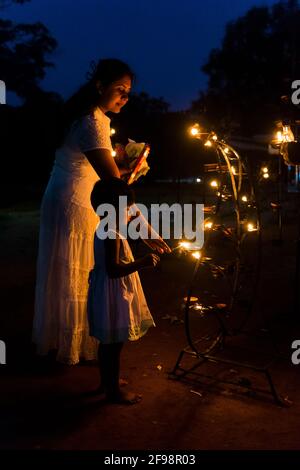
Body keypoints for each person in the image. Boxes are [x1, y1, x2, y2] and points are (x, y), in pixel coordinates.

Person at [33, 58, 170, 365]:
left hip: (70, 194)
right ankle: (77, 343)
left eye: (128, 91)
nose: (125, 97)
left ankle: (70, 339)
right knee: (77, 271)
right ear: (100, 86)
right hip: (76, 201)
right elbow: (113, 183)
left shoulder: (89, 116)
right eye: (119, 89)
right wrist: (146, 231)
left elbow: (110, 177)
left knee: (75, 271)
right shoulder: (92, 122)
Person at [88, 178, 159, 404]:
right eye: (127, 207)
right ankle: (113, 392)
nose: (130, 212)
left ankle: (107, 382)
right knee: (114, 345)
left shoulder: (106, 227)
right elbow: (113, 269)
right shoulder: (111, 233)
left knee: (107, 344)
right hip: (113, 294)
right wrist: (143, 262)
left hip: (105, 292)